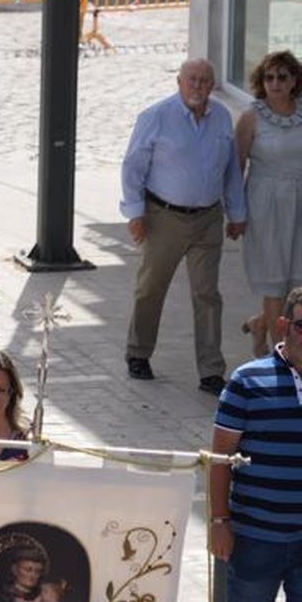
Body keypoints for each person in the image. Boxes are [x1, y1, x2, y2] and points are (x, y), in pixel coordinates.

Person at [210, 283, 302, 602]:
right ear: (285, 326)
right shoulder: (248, 381)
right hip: (257, 534)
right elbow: (221, 457)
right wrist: (219, 521)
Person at [121, 57, 246, 394]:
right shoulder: (156, 117)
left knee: (207, 294)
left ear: (212, 84)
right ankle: (138, 352)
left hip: (208, 218)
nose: (198, 87)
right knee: (151, 287)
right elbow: (133, 167)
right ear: (179, 82)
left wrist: (237, 213)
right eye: (192, 80)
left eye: (205, 81)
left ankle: (210, 370)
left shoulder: (221, 117)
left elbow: (231, 169)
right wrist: (135, 213)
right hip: (164, 216)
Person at [237, 50, 302, 357]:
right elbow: (236, 168)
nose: (275, 83)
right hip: (265, 206)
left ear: (294, 81)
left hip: (299, 202)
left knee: (298, 284)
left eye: (282, 77)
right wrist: (235, 214)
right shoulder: (251, 117)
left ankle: (261, 322)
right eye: (269, 77)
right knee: (275, 285)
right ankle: (282, 358)